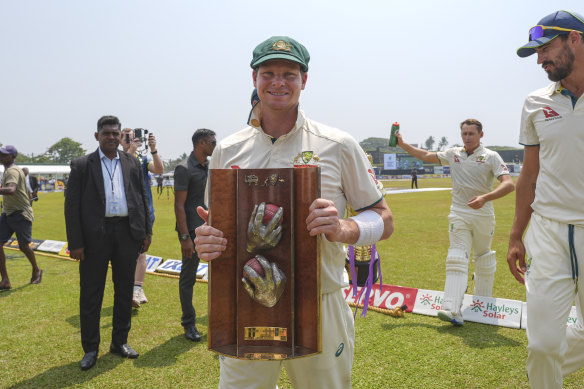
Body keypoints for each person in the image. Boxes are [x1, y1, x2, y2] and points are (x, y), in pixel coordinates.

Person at [193, 36, 393, 388]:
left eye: (289, 74)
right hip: (245, 298)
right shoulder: (228, 149)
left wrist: (344, 228)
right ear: (254, 78)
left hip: (321, 297)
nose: (278, 82)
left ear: (304, 80)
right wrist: (207, 242)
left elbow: (383, 217)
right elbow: (217, 227)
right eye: (268, 73)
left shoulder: (338, 144)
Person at [507, 10, 584, 388]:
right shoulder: (535, 102)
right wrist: (515, 234)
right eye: (536, 53)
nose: (540, 60)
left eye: (546, 49)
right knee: (541, 345)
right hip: (548, 233)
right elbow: (529, 174)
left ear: (575, 39)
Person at [396, 119, 514, 326]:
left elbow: (509, 184)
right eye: (464, 133)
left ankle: (483, 304)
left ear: (481, 135)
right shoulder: (453, 154)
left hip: (483, 215)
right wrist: (402, 144)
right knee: (457, 256)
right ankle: (451, 308)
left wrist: (485, 198)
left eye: (471, 134)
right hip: (459, 213)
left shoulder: (491, 157)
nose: (467, 137)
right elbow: (424, 155)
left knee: (483, 257)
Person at [64, 115, 152, 371]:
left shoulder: (132, 162)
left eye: (115, 133)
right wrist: (75, 243)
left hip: (127, 233)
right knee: (92, 294)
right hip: (94, 237)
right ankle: (90, 349)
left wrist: (146, 231)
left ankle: (119, 342)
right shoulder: (82, 165)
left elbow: (141, 198)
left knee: (124, 290)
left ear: (119, 136)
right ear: (97, 136)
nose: (112, 137)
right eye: (106, 133)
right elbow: (72, 208)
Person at [174, 128, 216, 342]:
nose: (215, 144)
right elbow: (179, 206)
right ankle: (189, 324)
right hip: (191, 232)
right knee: (188, 279)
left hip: (212, 230)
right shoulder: (184, 168)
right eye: (211, 141)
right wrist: (185, 238)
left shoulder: (211, 166)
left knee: (219, 277)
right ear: (201, 143)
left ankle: (219, 318)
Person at [120, 128, 163, 308]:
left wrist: (153, 149)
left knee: (141, 252)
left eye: (133, 137)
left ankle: (137, 289)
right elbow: (124, 169)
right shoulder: (116, 159)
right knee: (124, 254)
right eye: (127, 137)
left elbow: (159, 170)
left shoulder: (143, 159)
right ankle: (127, 289)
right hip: (123, 213)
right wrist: (132, 149)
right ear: (120, 140)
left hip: (144, 213)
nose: (131, 140)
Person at [0, 146, 43, 290]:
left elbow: (11, 190)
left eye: (4, 155)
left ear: (13, 157)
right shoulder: (9, 170)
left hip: (20, 213)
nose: (1, 156)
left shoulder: (12, 170)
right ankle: (5, 280)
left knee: (24, 246)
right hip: (8, 213)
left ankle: (36, 269)